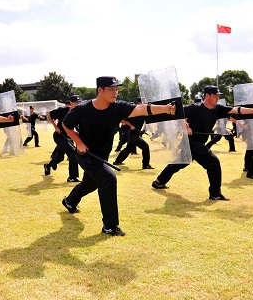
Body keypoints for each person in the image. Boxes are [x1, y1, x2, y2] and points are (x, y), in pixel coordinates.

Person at [61, 76, 176, 237]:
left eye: (116, 89)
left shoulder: (118, 107)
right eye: (111, 89)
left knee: (91, 184)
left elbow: (141, 109)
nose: (115, 92)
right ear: (99, 90)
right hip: (86, 154)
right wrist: (78, 142)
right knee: (108, 178)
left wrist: (165, 108)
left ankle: (70, 201)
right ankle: (110, 226)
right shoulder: (83, 109)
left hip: (102, 155)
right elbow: (66, 125)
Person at [151, 85, 253, 199]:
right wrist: (186, 127)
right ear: (207, 95)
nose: (218, 98)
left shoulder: (217, 109)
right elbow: (177, 114)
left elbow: (236, 109)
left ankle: (158, 181)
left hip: (199, 142)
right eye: (215, 95)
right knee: (213, 162)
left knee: (180, 163)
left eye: (218, 96)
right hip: (192, 142)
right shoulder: (195, 107)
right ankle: (215, 194)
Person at [44, 95, 81, 182]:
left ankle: (48, 166)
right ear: (71, 103)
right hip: (59, 136)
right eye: (76, 103)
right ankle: (72, 177)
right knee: (73, 153)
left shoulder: (79, 113)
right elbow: (49, 114)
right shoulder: (63, 110)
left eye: (79, 102)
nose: (78, 104)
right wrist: (55, 127)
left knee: (60, 157)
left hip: (69, 136)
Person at [113, 97, 153, 169]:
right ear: (139, 103)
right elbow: (125, 120)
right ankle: (145, 165)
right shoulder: (134, 110)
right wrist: (131, 126)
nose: (145, 103)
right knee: (145, 146)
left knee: (129, 148)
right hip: (132, 133)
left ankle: (117, 161)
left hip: (135, 133)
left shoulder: (143, 111)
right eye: (143, 102)